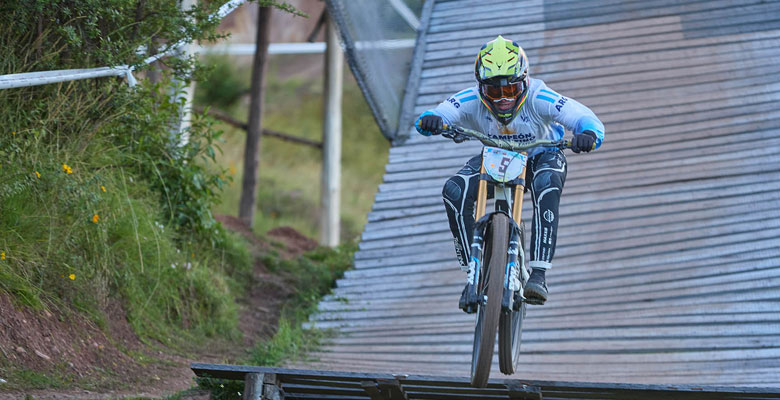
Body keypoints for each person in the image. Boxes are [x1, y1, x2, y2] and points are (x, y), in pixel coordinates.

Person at [415, 35, 604, 310]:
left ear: (525, 81)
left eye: (511, 90)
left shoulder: (541, 97)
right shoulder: (470, 99)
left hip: (542, 155)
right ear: (481, 88)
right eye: (494, 92)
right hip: (496, 157)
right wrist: (432, 120)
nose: (503, 99)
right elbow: (440, 113)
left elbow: (583, 116)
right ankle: (473, 272)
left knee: (548, 182)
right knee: (454, 191)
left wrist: (588, 133)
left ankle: (538, 273)